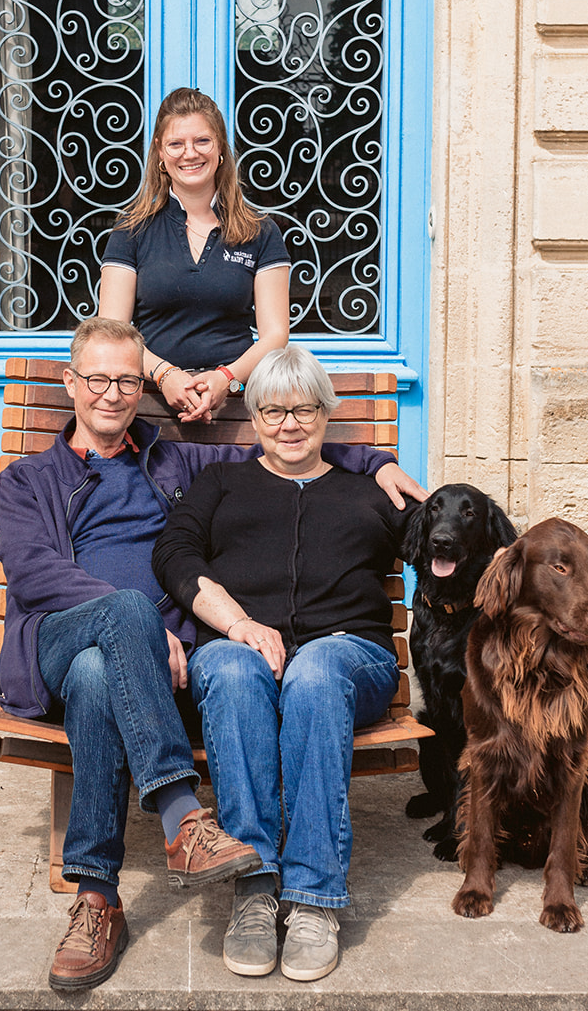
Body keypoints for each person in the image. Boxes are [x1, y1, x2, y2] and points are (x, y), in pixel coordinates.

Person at [0, 318, 423, 991]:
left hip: (129, 667)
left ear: (141, 388)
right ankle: (181, 817)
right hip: (60, 638)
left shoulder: (177, 464)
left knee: (100, 674)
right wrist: (133, 624)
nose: (112, 393)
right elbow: (32, 573)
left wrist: (376, 461)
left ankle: (97, 901)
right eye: (98, 379)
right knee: (115, 628)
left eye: (127, 381)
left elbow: (284, 450)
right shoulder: (29, 480)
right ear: (71, 383)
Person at [152, 344, 422, 983]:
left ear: (327, 414)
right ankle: (254, 886)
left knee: (316, 671)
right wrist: (237, 625)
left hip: (349, 657)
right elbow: (174, 553)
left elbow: (444, 548)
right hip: (240, 648)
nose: (289, 425)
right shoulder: (222, 484)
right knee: (233, 671)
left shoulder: (369, 492)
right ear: (253, 417)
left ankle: (313, 898)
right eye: (273, 412)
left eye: (304, 410)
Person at [98, 87, 289, 422]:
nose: (190, 153)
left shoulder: (261, 231)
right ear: (160, 151)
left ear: (220, 148)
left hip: (239, 406)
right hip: (150, 404)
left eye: (202, 141)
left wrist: (226, 378)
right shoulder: (131, 230)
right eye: (176, 144)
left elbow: (275, 336)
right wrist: (165, 375)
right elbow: (112, 332)